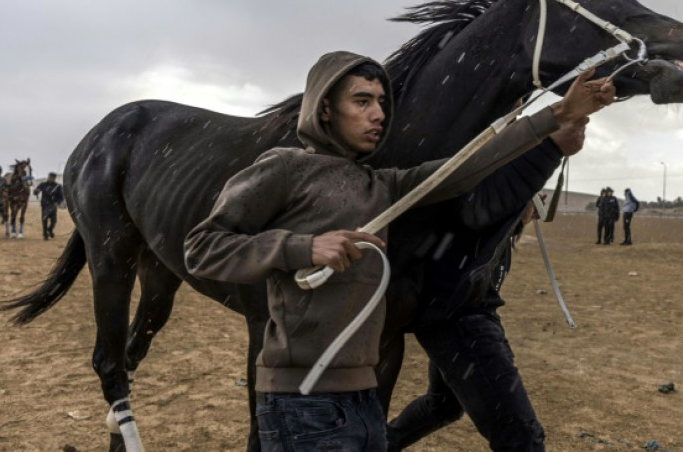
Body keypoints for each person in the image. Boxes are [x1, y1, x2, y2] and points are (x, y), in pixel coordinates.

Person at [183, 51, 615, 451]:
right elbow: (203, 248)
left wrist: (561, 113)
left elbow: (465, 166)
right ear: (325, 109)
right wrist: (304, 247)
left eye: (381, 103)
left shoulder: (384, 185)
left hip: (365, 398)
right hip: (301, 401)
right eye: (362, 101)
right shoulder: (284, 167)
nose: (378, 114)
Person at [386, 117, 587, 451]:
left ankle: (381, 443)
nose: (535, 207)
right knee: (521, 439)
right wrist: (552, 143)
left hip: (456, 313)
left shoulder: (500, 210)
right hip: (459, 318)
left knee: (444, 405)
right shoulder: (482, 196)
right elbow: (484, 206)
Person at [33, 172, 65, 240]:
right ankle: (45, 234)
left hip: (53, 205)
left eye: (51, 178)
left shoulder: (58, 186)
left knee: (54, 221)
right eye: (49, 177)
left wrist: (58, 202)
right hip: (44, 204)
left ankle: (50, 230)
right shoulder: (43, 184)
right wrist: (36, 191)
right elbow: (36, 191)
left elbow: (61, 197)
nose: (50, 179)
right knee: (44, 219)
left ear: (54, 178)